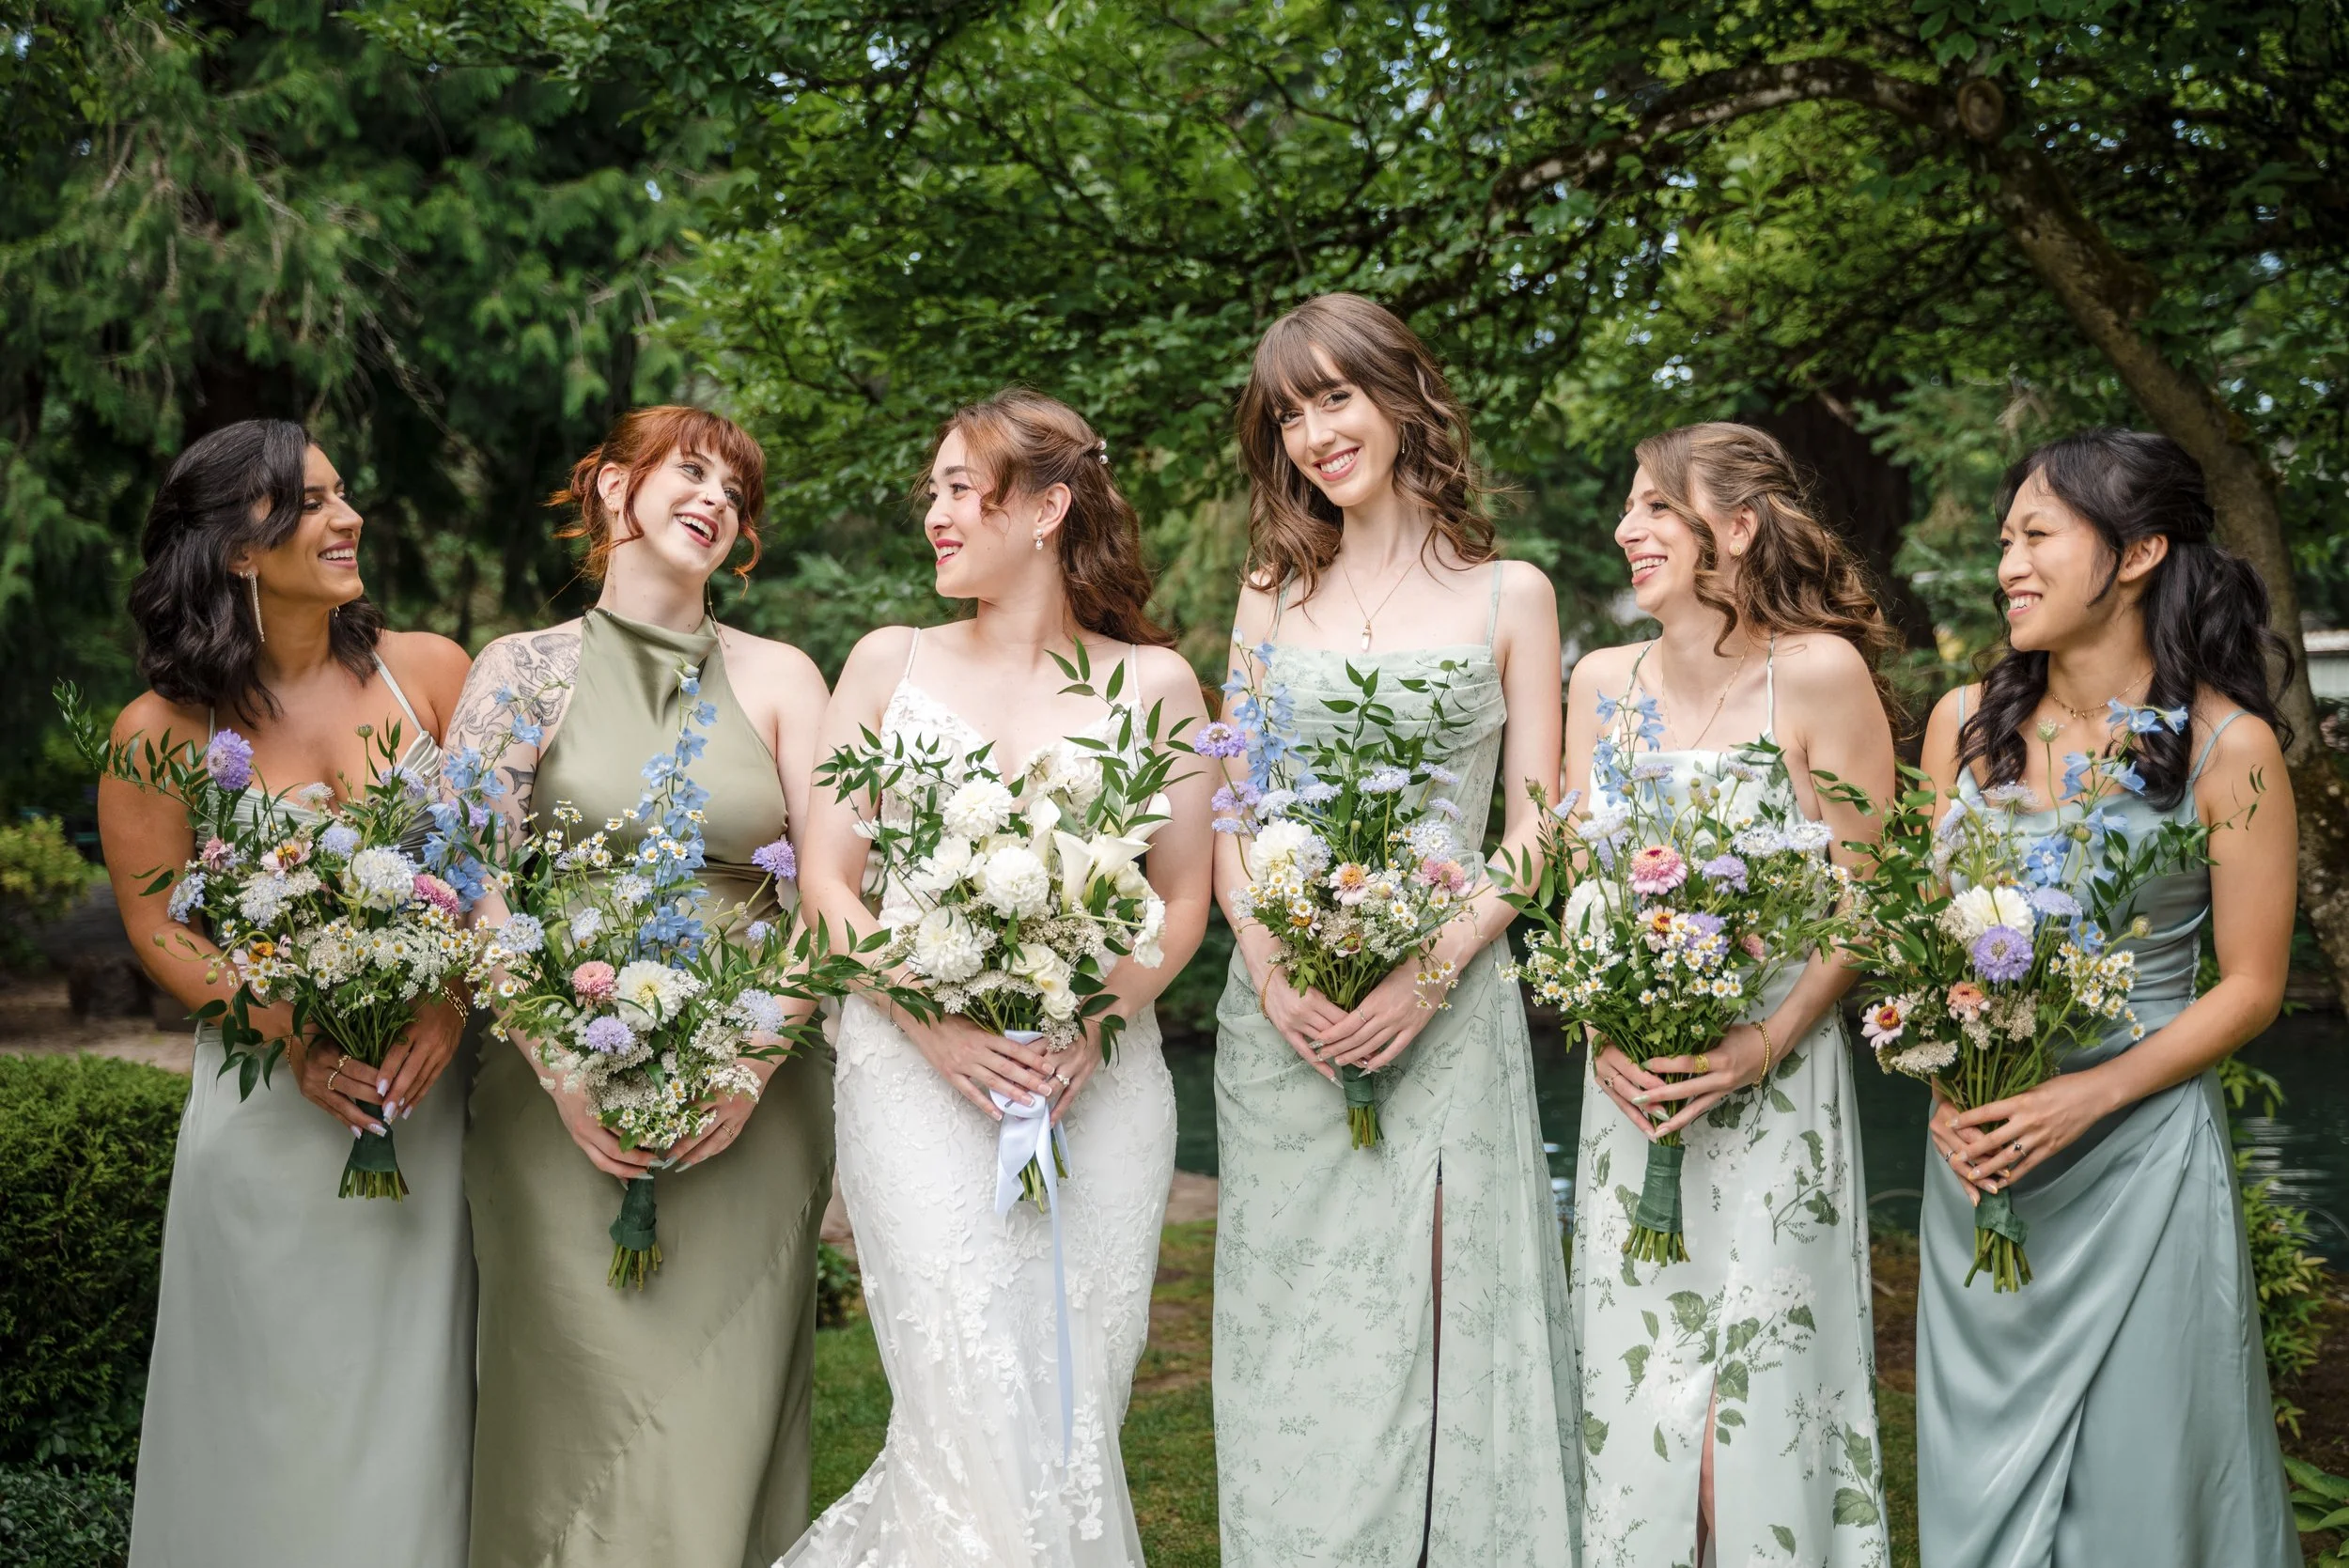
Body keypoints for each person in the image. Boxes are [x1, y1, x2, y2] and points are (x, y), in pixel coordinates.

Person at [783, 388, 1211, 1565]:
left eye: (958, 489)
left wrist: (1097, 1019)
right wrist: (937, 1028)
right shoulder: (887, 663)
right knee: (965, 1407)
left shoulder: (1156, 685)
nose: (934, 513)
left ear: (1046, 509)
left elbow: (1181, 898)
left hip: (1099, 1083)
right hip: (917, 1076)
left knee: (1072, 1419)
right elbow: (827, 880)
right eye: (932, 491)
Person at [1209, 293, 1580, 1566]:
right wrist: (1268, 969)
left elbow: (1534, 834)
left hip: (1446, 1005)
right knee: (1299, 1335)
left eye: (1335, 397)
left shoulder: (1510, 594)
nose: (1315, 433)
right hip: (1286, 1028)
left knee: (1443, 1322)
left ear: (1401, 394)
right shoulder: (1272, 591)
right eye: (1290, 414)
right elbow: (1233, 806)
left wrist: (1424, 976)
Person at [449, 406, 834, 1568]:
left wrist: (751, 1061)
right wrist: (561, 1064)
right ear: (615, 491)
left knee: (723, 1416)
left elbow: (832, 895)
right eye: (692, 472)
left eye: (737, 490)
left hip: (754, 1098)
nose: (717, 499)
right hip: (549, 1092)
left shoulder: (782, 677)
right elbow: (471, 884)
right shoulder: (519, 673)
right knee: (565, 1407)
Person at [1915, 428, 2299, 1568]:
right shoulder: (1962, 724)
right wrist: (1949, 1085)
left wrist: (2087, 1100)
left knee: (2143, 1487)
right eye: (2002, 541)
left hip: (2139, 1161)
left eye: (2036, 535)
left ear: (2137, 553)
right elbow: (1927, 938)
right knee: (1975, 1486)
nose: (2006, 567)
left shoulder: (2232, 747)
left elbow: (2253, 987)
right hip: (1981, 1160)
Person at [103, 419, 474, 1568]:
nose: (347, 516)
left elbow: (491, 871)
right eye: (308, 503)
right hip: (270, 1115)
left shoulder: (430, 672)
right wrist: (298, 1033)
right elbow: (160, 926)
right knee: (269, 1412)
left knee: (421, 1405)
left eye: (342, 491)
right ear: (235, 550)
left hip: (428, 1107)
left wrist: (444, 1005)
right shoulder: (158, 734)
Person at [1563, 422, 1898, 1568]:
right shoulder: (1601, 683)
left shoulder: (1817, 673)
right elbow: (1582, 881)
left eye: (1655, 508)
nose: (1626, 530)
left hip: (1773, 1094)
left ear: (1736, 528)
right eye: (1628, 508)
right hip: (1632, 1100)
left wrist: (1767, 1038)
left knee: (1746, 1412)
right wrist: (1605, 1030)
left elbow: (1864, 898)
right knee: (1642, 1398)